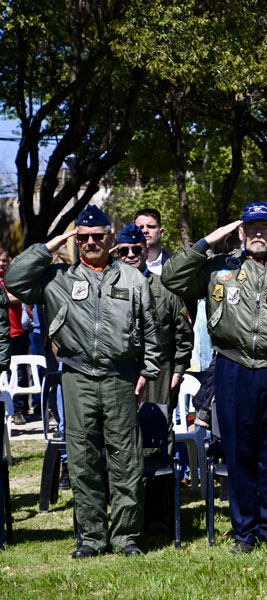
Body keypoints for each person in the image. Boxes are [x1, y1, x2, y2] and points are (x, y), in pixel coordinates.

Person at [162, 201, 267, 553]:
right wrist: (206, 242)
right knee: (238, 453)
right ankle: (244, 533)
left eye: (265, 227)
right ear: (240, 232)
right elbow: (171, 278)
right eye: (251, 228)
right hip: (232, 368)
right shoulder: (220, 268)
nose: (258, 234)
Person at [5, 205, 162, 558]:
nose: (91, 242)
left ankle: (125, 537)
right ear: (77, 240)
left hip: (121, 377)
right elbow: (14, 279)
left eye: (97, 236)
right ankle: (91, 537)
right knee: (83, 458)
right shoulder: (57, 279)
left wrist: (147, 373)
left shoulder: (132, 279)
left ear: (110, 238)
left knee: (127, 459)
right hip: (77, 377)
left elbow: (151, 329)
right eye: (84, 236)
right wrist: (50, 245)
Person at [114, 223, 193, 451]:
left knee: (157, 435)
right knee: (119, 432)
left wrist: (178, 372)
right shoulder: (105, 288)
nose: (130, 256)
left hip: (159, 371)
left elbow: (184, 335)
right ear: (117, 253)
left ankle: (161, 485)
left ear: (146, 252)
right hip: (119, 370)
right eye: (124, 251)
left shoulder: (165, 288)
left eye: (136, 250)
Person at [1, 244, 31, 424]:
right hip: (2, 335)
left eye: (4, 260)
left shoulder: (12, 279)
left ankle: (19, 410)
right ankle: (7, 407)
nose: (1, 264)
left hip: (17, 333)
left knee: (19, 373)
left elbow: (19, 296)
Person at [134, 208, 170, 276]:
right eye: (140, 227)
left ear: (161, 232)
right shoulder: (124, 264)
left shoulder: (175, 263)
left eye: (150, 226)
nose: (145, 231)